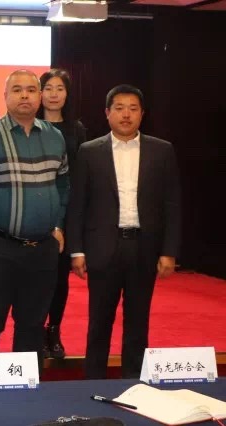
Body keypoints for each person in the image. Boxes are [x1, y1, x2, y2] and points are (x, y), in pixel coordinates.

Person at [67, 84, 181, 379]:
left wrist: (169, 251)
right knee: (99, 322)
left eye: (133, 108)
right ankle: (93, 381)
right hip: (103, 247)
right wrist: (76, 250)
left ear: (142, 113)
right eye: (119, 108)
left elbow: (172, 204)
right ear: (107, 113)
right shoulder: (89, 151)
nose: (126, 115)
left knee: (138, 322)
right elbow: (78, 204)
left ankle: (134, 382)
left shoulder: (162, 150)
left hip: (144, 247)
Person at [0, 70, 69, 362]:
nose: (25, 96)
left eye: (31, 90)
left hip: (43, 248)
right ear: (5, 96)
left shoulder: (55, 136)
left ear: (40, 96)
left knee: (33, 324)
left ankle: (26, 386)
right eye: (17, 90)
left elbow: (63, 183)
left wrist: (58, 226)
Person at [38, 68, 88, 360]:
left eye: (60, 88)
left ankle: (53, 329)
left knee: (59, 277)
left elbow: (79, 174)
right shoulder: (28, 124)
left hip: (65, 211)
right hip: (33, 208)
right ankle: (34, 328)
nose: (54, 94)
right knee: (35, 276)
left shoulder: (76, 129)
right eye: (48, 88)